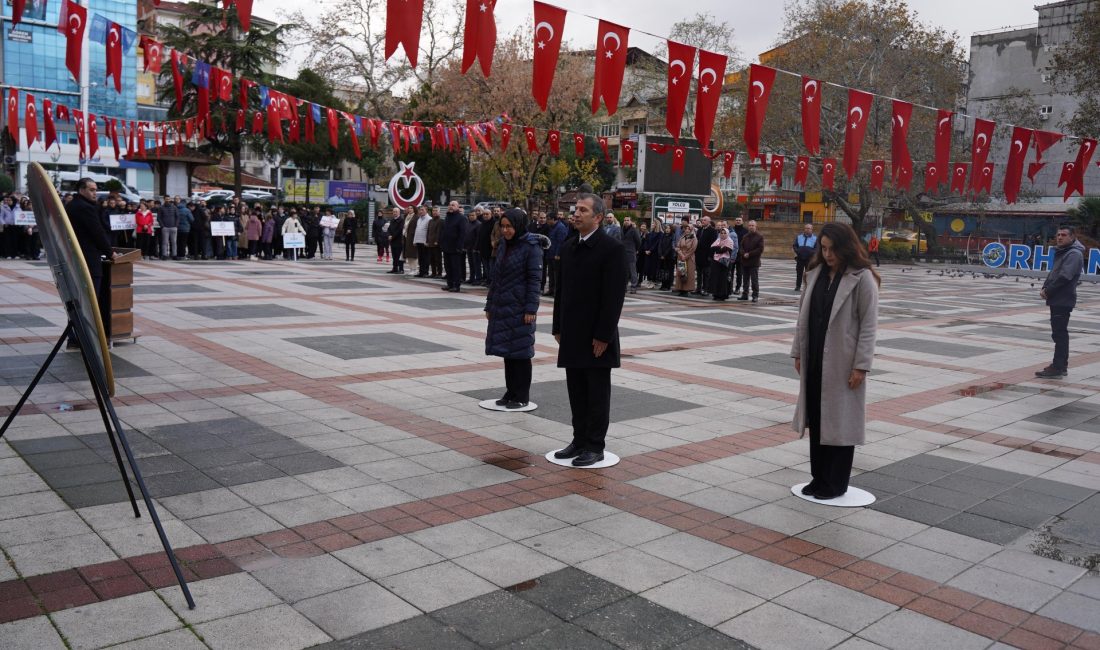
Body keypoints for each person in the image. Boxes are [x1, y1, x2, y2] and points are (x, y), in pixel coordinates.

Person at [791, 222, 879, 500]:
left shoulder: (862, 278)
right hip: (815, 355)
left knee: (839, 422)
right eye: (824, 248)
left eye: (832, 249)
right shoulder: (814, 274)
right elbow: (801, 318)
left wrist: (861, 365)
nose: (827, 254)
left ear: (846, 247)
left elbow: (869, 325)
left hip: (843, 361)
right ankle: (818, 478)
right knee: (817, 419)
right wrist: (797, 352)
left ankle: (836, 483)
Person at [552, 194, 627, 467]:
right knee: (576, 390)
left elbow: (613, 297)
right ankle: (579, 439)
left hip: (596, 337)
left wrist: (603, 335)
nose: (576, 214)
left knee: (596, 392)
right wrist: (557, 326)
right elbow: (561, 291)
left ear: (597, 217)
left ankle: (595, 445)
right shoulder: (570, 246)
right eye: (575, 209)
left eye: (583, 210)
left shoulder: (611, 249)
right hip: (572, 334)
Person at [485, 208, 544, 409]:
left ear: (518, 226)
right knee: (508, 353)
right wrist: (489, 304)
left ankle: (521, 395)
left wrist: (531, 309)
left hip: (520, 308)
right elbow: (496, 278)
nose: (505, 230)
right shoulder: (503, 245)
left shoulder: (531, 247)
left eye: (509, 226)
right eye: (502, 226)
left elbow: (535, 280)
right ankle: (510, 392)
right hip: (503, 306)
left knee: (521, 353)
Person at [66, 179, 118, 347]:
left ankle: (76, 337)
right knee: (89, 301)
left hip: (75, 259)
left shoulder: (73, 205)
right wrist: (110, 252)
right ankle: (84, 338)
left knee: (79, 301)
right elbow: (97, 233)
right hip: (88, 260)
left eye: (96, 189)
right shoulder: (85, 208)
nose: (95, 193)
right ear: (81, 190)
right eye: (91, 189)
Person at [1037, 225, 1085, 379]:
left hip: (1063, 299)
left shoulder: (1073, 254)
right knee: (1058, 333)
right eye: (1058, 234)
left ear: (1072, 237)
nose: (1059, 237)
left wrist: (1048, 291)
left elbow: (1064, 277)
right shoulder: (1064, 252)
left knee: (1060, 334)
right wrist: (1045, 287)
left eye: (1063, 235)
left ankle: (1058, 367)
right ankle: (1060, 366)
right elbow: (1054, 273)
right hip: (1057, 298)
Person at [441, 201, 467, 292]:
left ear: (457, 207)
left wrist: (459, 247)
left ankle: (456, 285)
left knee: (455, 267)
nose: (451, 207)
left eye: (453, 205)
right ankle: (450, 284)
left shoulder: (461, 218)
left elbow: (462, 234)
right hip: (446, 247)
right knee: (448, 266)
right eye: (450, 205)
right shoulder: (447, 217)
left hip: (455, 247)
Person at [738, 220, 764, 302]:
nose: (751, 227)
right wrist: (743, 253)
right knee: (745, 280)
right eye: (750, 225)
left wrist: (749, 254)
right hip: (745, 261)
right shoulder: (745, 236)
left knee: (754, 280)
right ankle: (745, 294)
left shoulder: (759, 237)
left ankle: (755, 295)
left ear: (756, 226)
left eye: (753, 225)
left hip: (754, 262)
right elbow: (741, 247)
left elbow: (760, 249)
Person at [709, 227, 738, 301]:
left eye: (725, 233)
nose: (723, 234)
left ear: (727, 234)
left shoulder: (730, 241)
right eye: (721, 233)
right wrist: (719, 248)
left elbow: (723, 250)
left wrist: (718, 248)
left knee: (723, 279)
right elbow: (712, 248)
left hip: (724, 263)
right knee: (716, 278)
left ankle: (723, 295)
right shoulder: (718, 240)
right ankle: (716, 294)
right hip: (716, 262)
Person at [544, 212, 567, 296]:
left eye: (548, 219)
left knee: (556, 274)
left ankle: (556, 291)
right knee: (550, 274)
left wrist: (558, 254)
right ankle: (551, 289)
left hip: (556, 255)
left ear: (553, 219)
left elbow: (561, 242)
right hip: (550, 253)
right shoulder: (552, 227)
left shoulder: (560, 228)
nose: (547, 221)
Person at [694, 216, 717, 295]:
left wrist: (710, 256)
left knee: (706, 274)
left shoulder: (713, 231)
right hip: (699, 255)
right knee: (699, 273)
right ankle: (698, 289)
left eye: (705, 220)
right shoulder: (700, 230)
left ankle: (706, 289)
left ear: (709, 221)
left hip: (707, 255)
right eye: (702, 220)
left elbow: (713, 244)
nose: (703, 221)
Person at [673, 223, 697, 297]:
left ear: (691, 230)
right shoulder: (682, 237)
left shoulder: (694, 238)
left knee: (688, 273)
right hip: (681, 257)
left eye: (688, 229)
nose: (687, 230)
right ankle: (680, 289)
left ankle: (686, 290)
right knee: (681, 273)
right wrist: (681, 254)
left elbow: (693, 249)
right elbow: (678, 246)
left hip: (689, 258)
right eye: (686, 229)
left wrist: (685, 256)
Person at [793, 223, 818, 291]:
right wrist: (798, 251)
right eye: (806, 228)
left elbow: (817, 248)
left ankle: (808, 286)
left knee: (809, 273)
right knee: (799, 273)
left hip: (809, 259)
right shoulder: (799, 237)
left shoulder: (815, 238)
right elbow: (795, 245)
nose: (807, 230)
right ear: (804, 229)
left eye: (809, 228)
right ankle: (798, 286)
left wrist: (811, 253)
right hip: (800, 258)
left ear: (812, 229)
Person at [621, 216, 642, 294]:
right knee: (624, 271)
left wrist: (635, 250)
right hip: (623, 253)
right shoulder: (621, 230)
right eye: (625, 220)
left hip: (631, 253)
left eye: (628, 220)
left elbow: (639, 242)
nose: (626, 221)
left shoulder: (634, 230)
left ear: (630, 221)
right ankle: (624, 287)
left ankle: (633, 287)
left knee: (633, 271)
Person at [731, 217, 747, 294]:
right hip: (732, 254)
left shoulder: (745, 231)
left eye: (739, 220)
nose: (738, 221)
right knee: (730, 272)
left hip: (740, 255)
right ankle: (729, 287)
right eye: (736, 220)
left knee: (739, 273)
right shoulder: (732, 230)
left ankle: (737, 288)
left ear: (742, 222)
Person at [427, 206, 444, 278]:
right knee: (431, 259)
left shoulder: (441, 221)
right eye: (433, 211)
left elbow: (439, 232)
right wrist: (427, 240)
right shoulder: (430, 221)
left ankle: (439, 273)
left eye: (436, 211)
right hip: (430, 242)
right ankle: (433, 273)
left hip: (436, 244)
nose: (434, 212)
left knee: (438, 259)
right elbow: (428, 231)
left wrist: (437, 241)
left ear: (439, 212)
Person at [388, 207, 406, 273]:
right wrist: (389, 235)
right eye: (393, 212)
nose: (394, 213)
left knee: (399, 255)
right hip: (393, 241)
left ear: (399, 212)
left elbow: (400, 230)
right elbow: (389, 229)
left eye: (396, 211)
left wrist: (392, 236)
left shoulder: (401, 220)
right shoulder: (392, 220)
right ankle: (394, 268)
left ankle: (401, 269)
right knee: (394, 255)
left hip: (399, 240)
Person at [657, 223, 675, 291]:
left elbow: (670, 247)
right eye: (666, 228)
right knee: (662, 271)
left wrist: (664, 255)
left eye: (669, 228)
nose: (667, 230)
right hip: (661, 257)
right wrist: (660, 254)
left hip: (669, 257)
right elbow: (660, 245)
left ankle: (668, 285)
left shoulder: (672, 236)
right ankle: (663, 284)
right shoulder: (663, 236)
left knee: (668, 271)